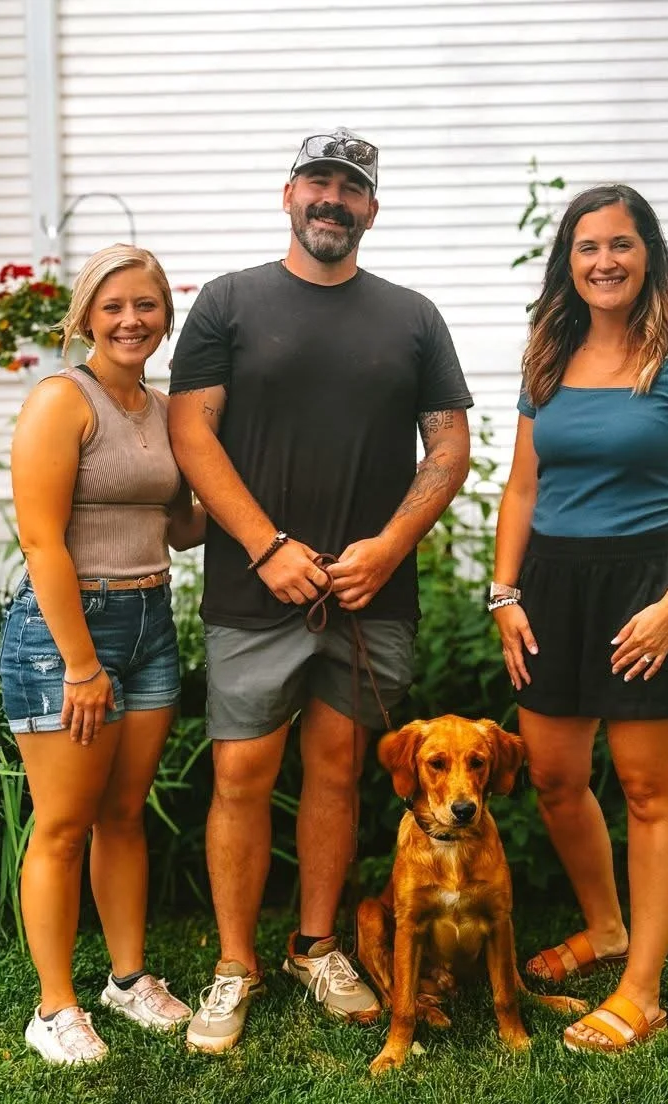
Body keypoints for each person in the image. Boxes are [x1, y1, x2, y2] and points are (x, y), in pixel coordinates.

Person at [167, 126, 472, 1053]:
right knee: (241, 777)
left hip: (369, 596)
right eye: (318, 181)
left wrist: (387, 547)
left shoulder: (413, 317)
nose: (332, 198)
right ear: (289, 194)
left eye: (351, 187)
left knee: (337, 770)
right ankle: (234, 965)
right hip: (254, 589)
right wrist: (265, 547)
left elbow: (448, 446)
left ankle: (315, 946)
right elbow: (191, 433)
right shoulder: (228, 301)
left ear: (372, 209)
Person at [492, 184, 668, 1052]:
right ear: (569, 262)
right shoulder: (547, 357)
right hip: (550, 589)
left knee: (646, 789)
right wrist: (504, 594)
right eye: (588, 246)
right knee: (556, 778)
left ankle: (643, 992)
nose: (605, 261)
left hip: (647, 583)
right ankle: (605, 929)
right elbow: (522, 488)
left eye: (621, 244)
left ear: (648, 255)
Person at [0, 243, 206, 1064]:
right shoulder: (63, 400)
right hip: (67, 632)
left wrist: (247, 483)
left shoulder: (162, 409)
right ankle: (54, 1008)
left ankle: (127, 979)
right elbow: (41, 542)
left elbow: (180, 528)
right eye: (113, 306)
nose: (130, 320)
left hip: (151, 619)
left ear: (165, 316)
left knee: (123, 815)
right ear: (85, 317)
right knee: (63, 825)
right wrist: (81, 665)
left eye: (145, 305)